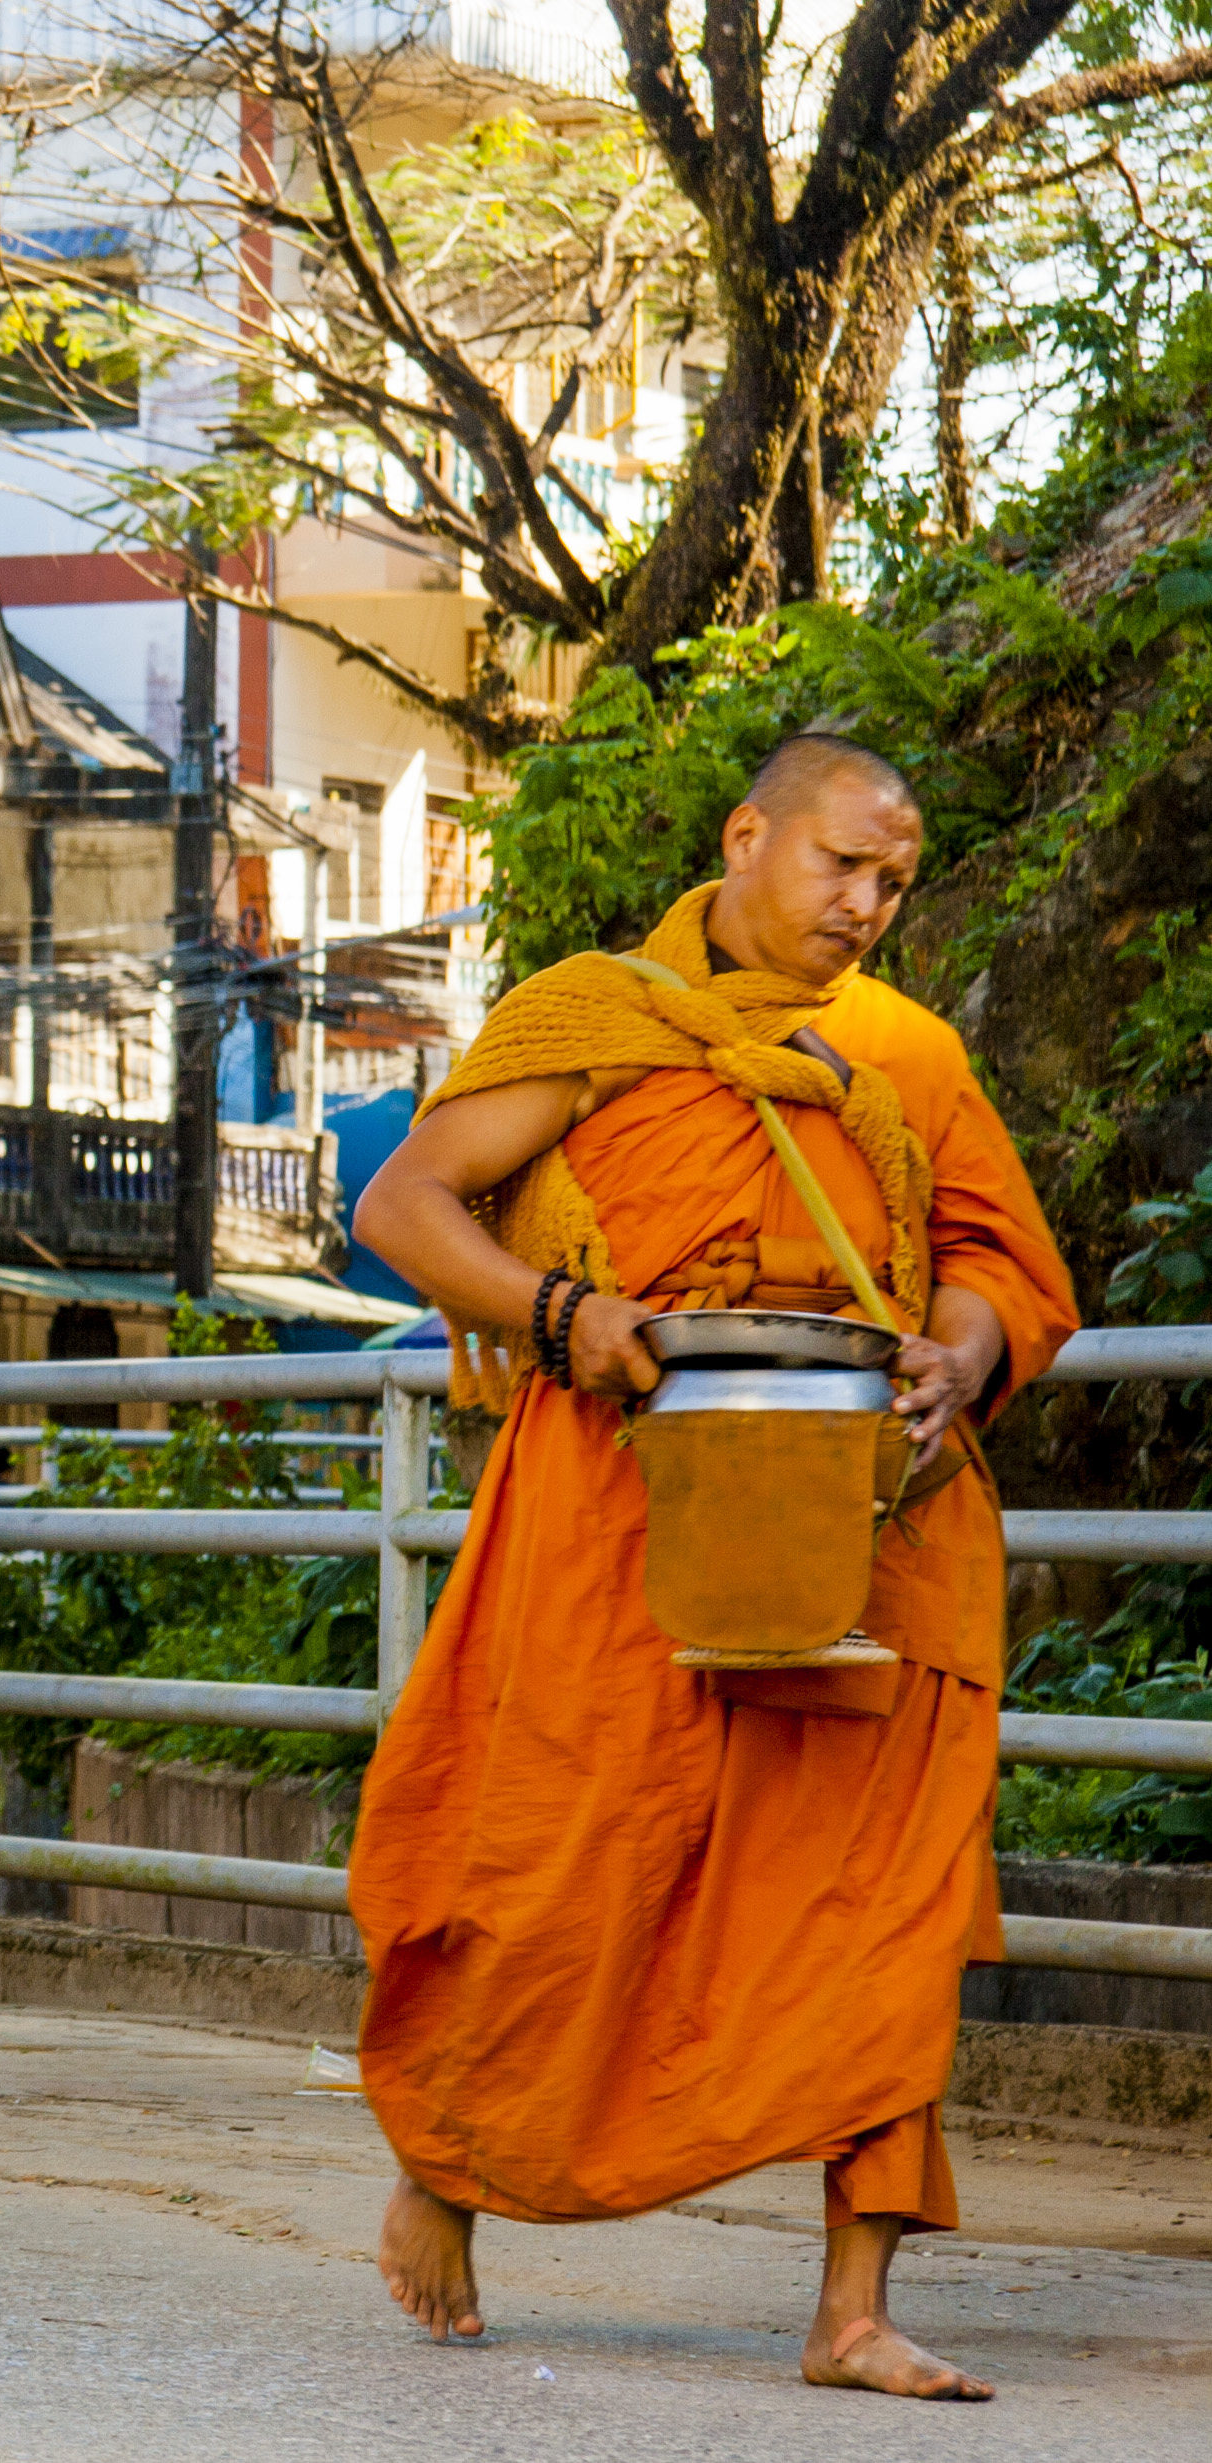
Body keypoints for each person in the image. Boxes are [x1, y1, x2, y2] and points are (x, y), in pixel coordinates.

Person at [348, 735, 1077, 2400]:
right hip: (623, 1494)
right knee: (558, 1848)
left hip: (868, 1502)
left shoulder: (904, 1049)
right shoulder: (596, 1019)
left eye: (895, 880)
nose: (867, 904)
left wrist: (959, 1360)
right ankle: (450, 2162)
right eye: (840, 863)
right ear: (747, 834)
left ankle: (852, 2305)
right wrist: (559, 1312)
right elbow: (412, 1203)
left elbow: (992, 1259)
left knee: (880, 1896)